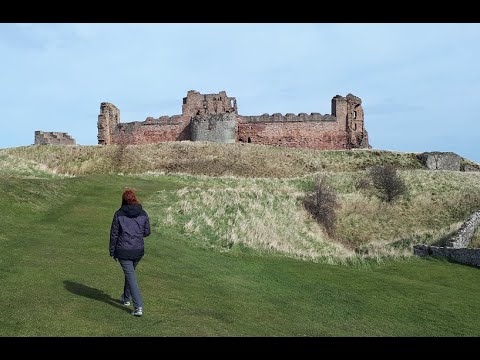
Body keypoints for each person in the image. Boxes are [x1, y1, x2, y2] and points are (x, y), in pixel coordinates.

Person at [109, 189, 151, 316]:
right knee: (130, 273)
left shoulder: (118, 214)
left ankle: (138, 307)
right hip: (137, 251)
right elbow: (147, 232)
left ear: (123, 200)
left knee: (131, 277)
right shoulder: (143, 213)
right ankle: (125, 298)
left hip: (123, 251)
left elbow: (114, 235)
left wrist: (112, 251)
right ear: (135, 199)